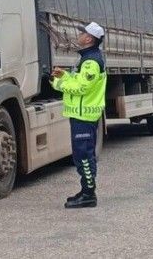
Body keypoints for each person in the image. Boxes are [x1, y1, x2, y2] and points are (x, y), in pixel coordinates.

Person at [51, 22, 107, 209]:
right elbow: (78, 80)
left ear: (89, 39)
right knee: (81, 155)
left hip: (85, 116)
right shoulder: (87, 59)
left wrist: (58, 84)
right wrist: (65, 75)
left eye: (82, 32)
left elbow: (82, 87)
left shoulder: (91, 62)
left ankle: (89, 194)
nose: (79, 34)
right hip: (80, 115)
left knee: (84, 155)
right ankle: (85, 191)